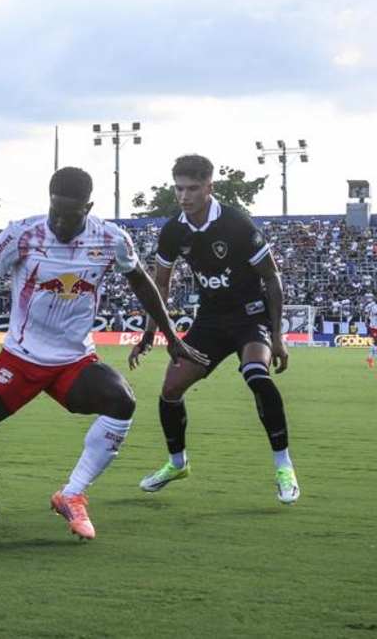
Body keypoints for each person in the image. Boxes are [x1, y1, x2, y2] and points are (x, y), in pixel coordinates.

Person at [0, 167, 207, 541]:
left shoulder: (110, 237)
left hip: (73, 360)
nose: (61, 222)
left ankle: (72, 494)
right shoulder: (23, 233)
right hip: (21, 357)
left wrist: (168, 336)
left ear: (89, 207)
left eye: (71, 214)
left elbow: (142, 283)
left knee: (122, 401)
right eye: (55, 212)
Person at [128, 154, 301, 505]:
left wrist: (278, 337)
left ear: (210, 187)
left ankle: (284, 466)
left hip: (250, 317)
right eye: (179, 188)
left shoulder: (236, 223)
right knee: (170, 388)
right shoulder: (174, 230)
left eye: (192, 188)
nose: (184, 196)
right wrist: (150, 333)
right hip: (209, 320)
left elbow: (271, 277)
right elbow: (159, 286)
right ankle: (177, 464)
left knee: (256, 374)